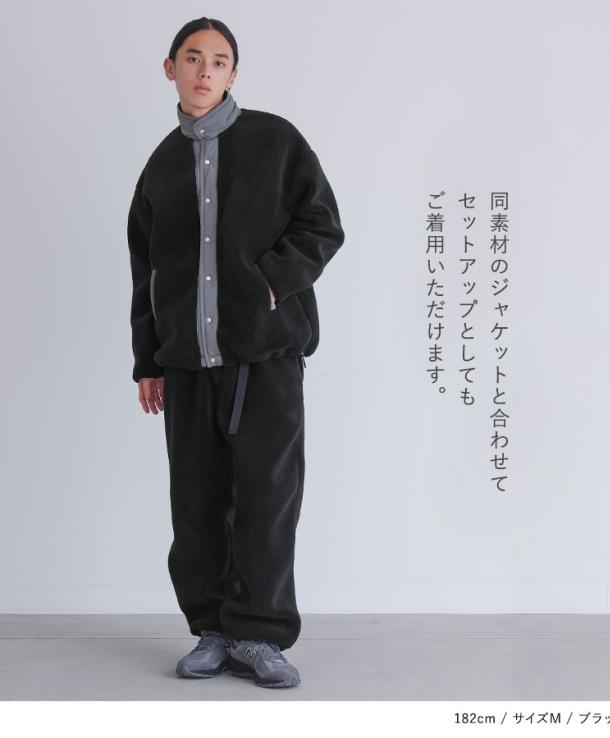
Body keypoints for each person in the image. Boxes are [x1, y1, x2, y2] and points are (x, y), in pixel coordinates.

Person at [127, 17, 345, 689]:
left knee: (266, 498)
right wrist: (149, 360)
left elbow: (322, 225)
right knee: (195, 504)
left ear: (233, 74)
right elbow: (145, 273)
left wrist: (268, 285)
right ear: (170, 68)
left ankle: (259, 634)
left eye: (219, 61)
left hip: (265, 357)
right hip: (187, 363)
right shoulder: (160, 167)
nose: (205, 71)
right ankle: (213, 631)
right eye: (193, 58)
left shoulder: (276, 141)